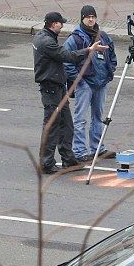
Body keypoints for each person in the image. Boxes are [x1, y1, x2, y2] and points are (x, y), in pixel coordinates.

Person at [32, 11, 108, 175]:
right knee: (52, 126)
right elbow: (68, 56)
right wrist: (89, 50)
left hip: (58, 88)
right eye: (60, 23)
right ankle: (46, 163)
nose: (63, 25)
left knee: (66, 124)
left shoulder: (42, 36)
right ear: (53, 24)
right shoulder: (47, 42)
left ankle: (68, 159)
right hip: (51, 89)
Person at [64, 5, 117, 162]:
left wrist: (110, 70)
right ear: (82, 18)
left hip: (101, 82)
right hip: (85, 84)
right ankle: (79, 151)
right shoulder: (75, 39)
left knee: (98, 116)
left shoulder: (103, 36)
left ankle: (97, 148)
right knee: (80, 118)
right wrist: (79, 80)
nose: (91, 19)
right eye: (88, 17)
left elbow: (111, 53)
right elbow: (67, 60)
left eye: (93, 17)